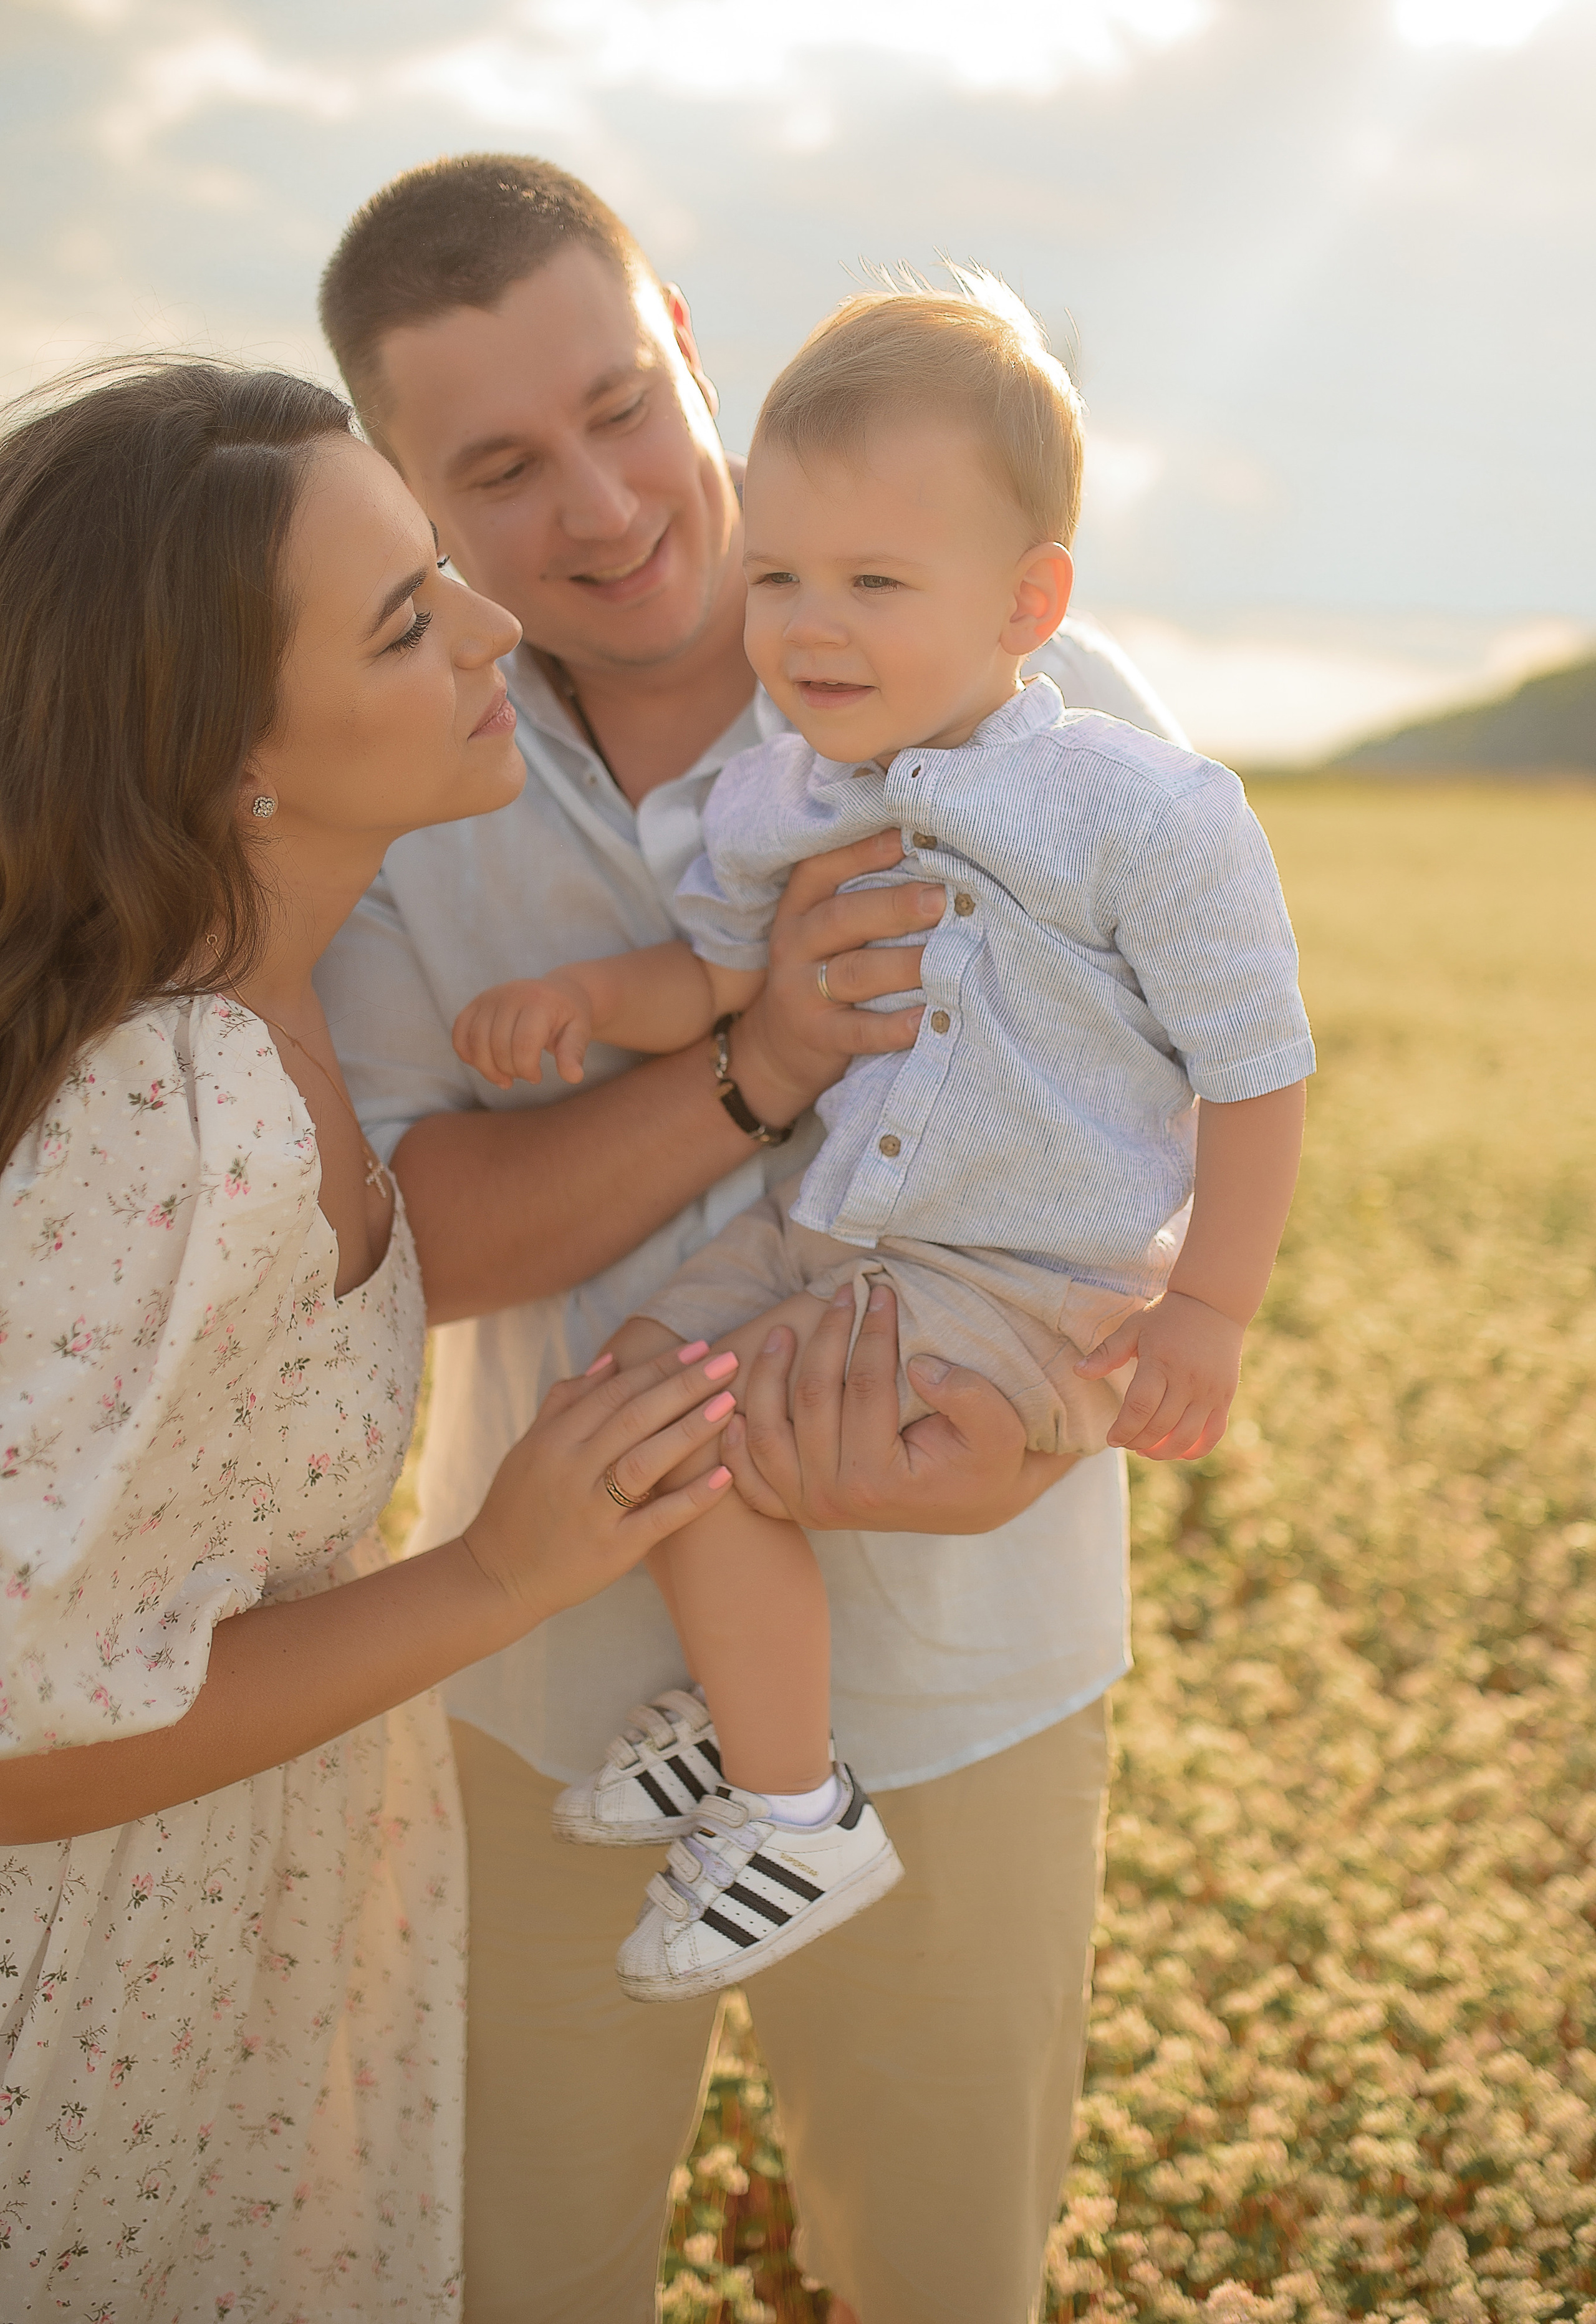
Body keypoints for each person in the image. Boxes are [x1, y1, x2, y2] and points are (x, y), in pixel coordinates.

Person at [314, 154, 1193, 2324]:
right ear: (401, 487)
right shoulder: (404, 766)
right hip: (552, 1682)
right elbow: (416, 1225)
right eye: (501, 469)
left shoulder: (1031, 677)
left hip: (969, 1663)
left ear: (689, 344)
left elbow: (1178, 1127)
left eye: (621, 404)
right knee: (522, 2279)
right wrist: (754, 1059)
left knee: (941, 2285)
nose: (604, 507)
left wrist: (1067, 1403)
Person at [452, 269, 1314, 2005]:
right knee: (644, 1387)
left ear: (1029, 603)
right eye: (777, 576)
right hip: (847, 1233)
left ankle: (788, 1803)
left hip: (1029, 1270)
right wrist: (588, 1007)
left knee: (736, 1435)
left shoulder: (1138, 810)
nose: (806, 629)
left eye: (872, 584)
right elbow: (712, 974)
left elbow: (1260, 1066)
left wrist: (1206, 1313)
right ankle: (765, 1735)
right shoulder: (785, 787)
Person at [0, 357, 748, 2317]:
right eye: (413, 617)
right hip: (76, 2018)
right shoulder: (173, 1105)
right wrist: (503, 1572)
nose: (496, 620)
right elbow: (18, 1735)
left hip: (233, 1938)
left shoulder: (279, 996)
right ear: (232, 744)